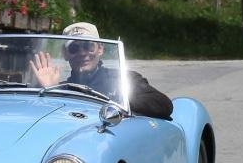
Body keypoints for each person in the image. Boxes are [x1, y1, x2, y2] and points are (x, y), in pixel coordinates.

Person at [30, 21, 174, 119]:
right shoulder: (61, 88)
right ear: (66, 54)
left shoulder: (124, 80)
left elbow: (163, 104)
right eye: (74, 48)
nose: (82, 53)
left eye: (88, 46)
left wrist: (120, 102)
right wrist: (51, 90)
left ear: (100, 49)